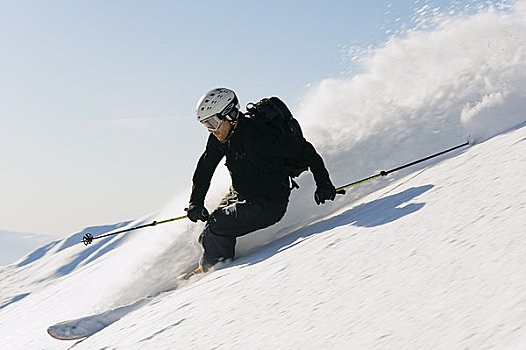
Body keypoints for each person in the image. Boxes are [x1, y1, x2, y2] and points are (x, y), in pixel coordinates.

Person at [186, 88, 339, 272]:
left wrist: (324, 184)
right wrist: (196, 203)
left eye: (213, 123)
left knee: (219, 224)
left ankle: (214, 274)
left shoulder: (258, 135)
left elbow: (305, 150)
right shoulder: (220, 138)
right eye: (206, 125)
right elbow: (204, 168)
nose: (212, 130)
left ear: (229, 114)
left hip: (268, 203)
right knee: (209, 231)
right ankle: (210, 264)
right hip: (240, 194)